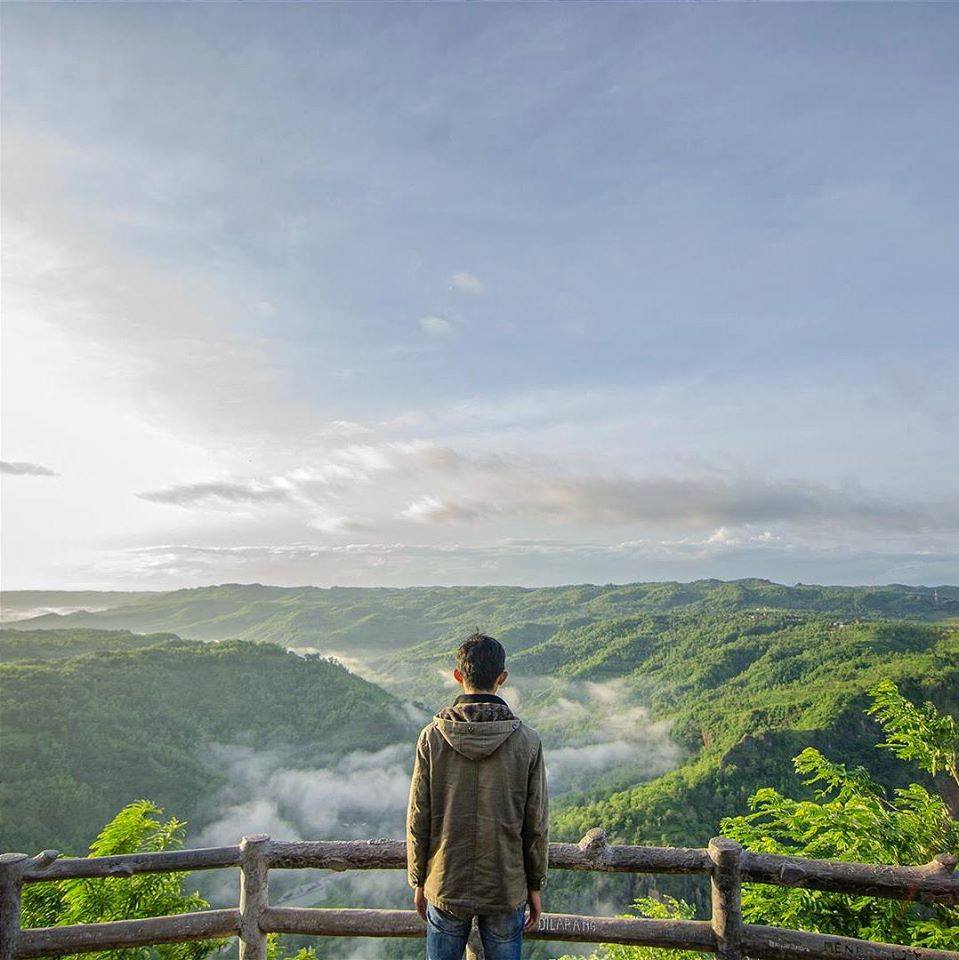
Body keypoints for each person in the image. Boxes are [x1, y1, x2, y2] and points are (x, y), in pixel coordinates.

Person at [406, 632, 549, 960]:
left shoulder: (432, 738)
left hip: (445, 882)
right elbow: (535, 823)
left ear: (458, 676)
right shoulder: (527, 741)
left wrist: (418, 879)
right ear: (502, 678)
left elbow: (419, 817)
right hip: (505, 884)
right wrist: (535, 885)